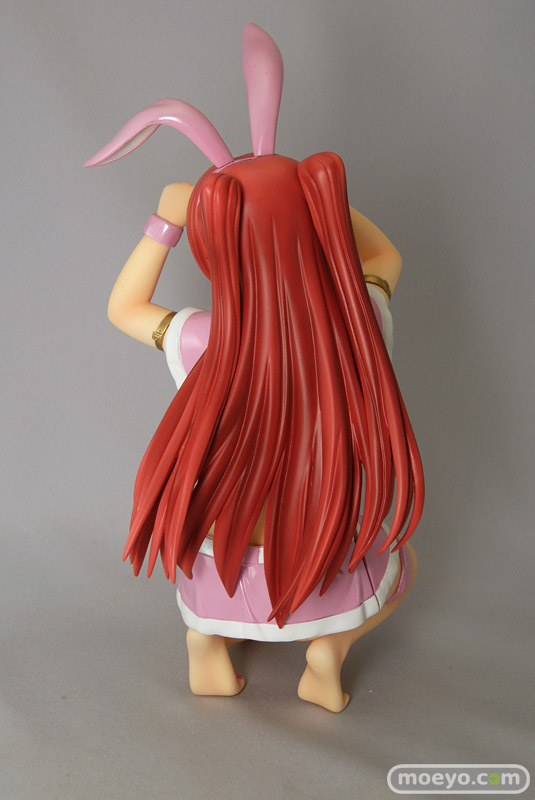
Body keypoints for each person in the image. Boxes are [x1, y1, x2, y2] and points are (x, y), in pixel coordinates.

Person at [86, 24, 424, 712]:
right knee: (402, 566)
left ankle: (206, 647)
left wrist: (166, 219)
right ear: (317, 221)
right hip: (321, 570)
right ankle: (327, 652)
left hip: (220, 577)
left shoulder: (203, 342)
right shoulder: (359, 322)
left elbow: (124, 308)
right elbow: (385, 256)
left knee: (209, 565)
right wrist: (317, 206)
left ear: (215, 249)